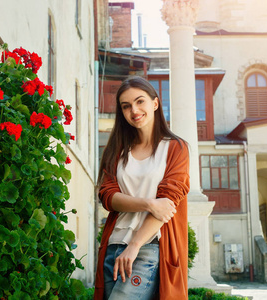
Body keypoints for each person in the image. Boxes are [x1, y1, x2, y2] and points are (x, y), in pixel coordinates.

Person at [94, 76, 190, 300]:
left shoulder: (175, 148)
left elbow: (168, 205)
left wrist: (135, 245)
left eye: (140, 102)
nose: (134, 110)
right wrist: (148, 204)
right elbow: (107, 196)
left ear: (155, 103)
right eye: (126, 106)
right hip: (113, 245)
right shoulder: (117, 150)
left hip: (147, 247)